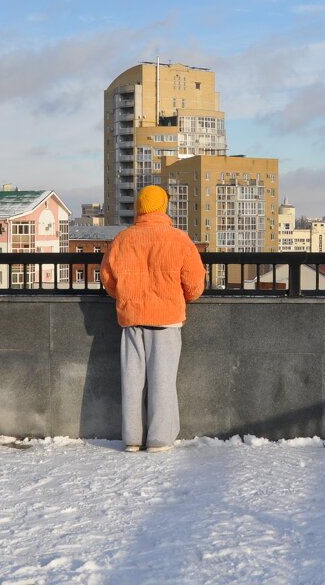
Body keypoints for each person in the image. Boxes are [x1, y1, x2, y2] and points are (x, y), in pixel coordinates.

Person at [100, 185, 205, 452]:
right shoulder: (179, 239)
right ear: (164, 208)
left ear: (139, 208)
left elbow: (108, 280)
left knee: (132, 381)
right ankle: (159, 439)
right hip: (166, 318)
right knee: (163, 380)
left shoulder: (122, 239)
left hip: (132, 318)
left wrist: (127, 297)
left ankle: (133, 438)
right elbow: (194, 285)